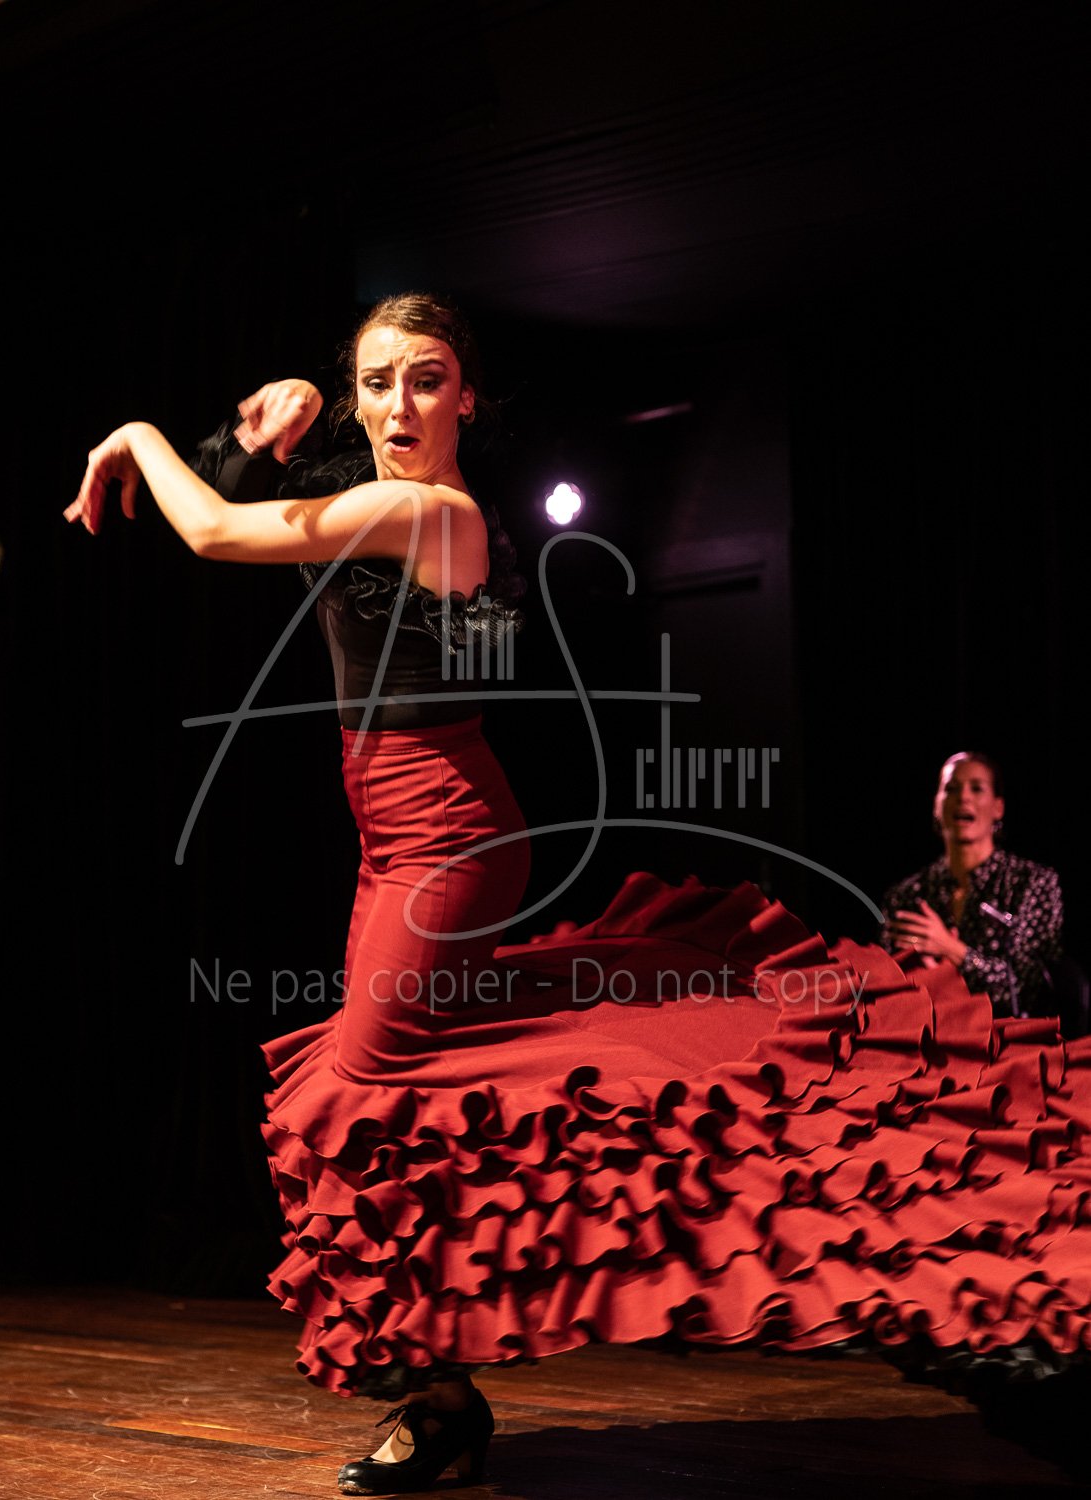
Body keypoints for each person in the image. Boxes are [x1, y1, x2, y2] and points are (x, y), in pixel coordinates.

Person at [67, 293, 1091, 1495]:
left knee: (362, 1085)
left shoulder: (430, 511)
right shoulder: (381, 489)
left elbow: (212, 533)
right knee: (407, 1104)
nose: (400, 405)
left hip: (445, 839)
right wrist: (264, 430)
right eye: (377, 382)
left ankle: (816, 1226)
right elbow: (247, 497)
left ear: (468, 398)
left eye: (427, 378)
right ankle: (443, 1402)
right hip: (395, 838)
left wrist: (137, 435)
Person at [881, 751, 1064, 1020]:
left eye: (976, 788)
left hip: (1006, 1034)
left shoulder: (1033, 883)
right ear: (936, 806)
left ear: (998, 807)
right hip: (929, 1030)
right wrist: (924, 975)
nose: (963, 797)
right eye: (951, 789)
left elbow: (1030, 988)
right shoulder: (906, 895)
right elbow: (887, 988)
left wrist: (953, 951)